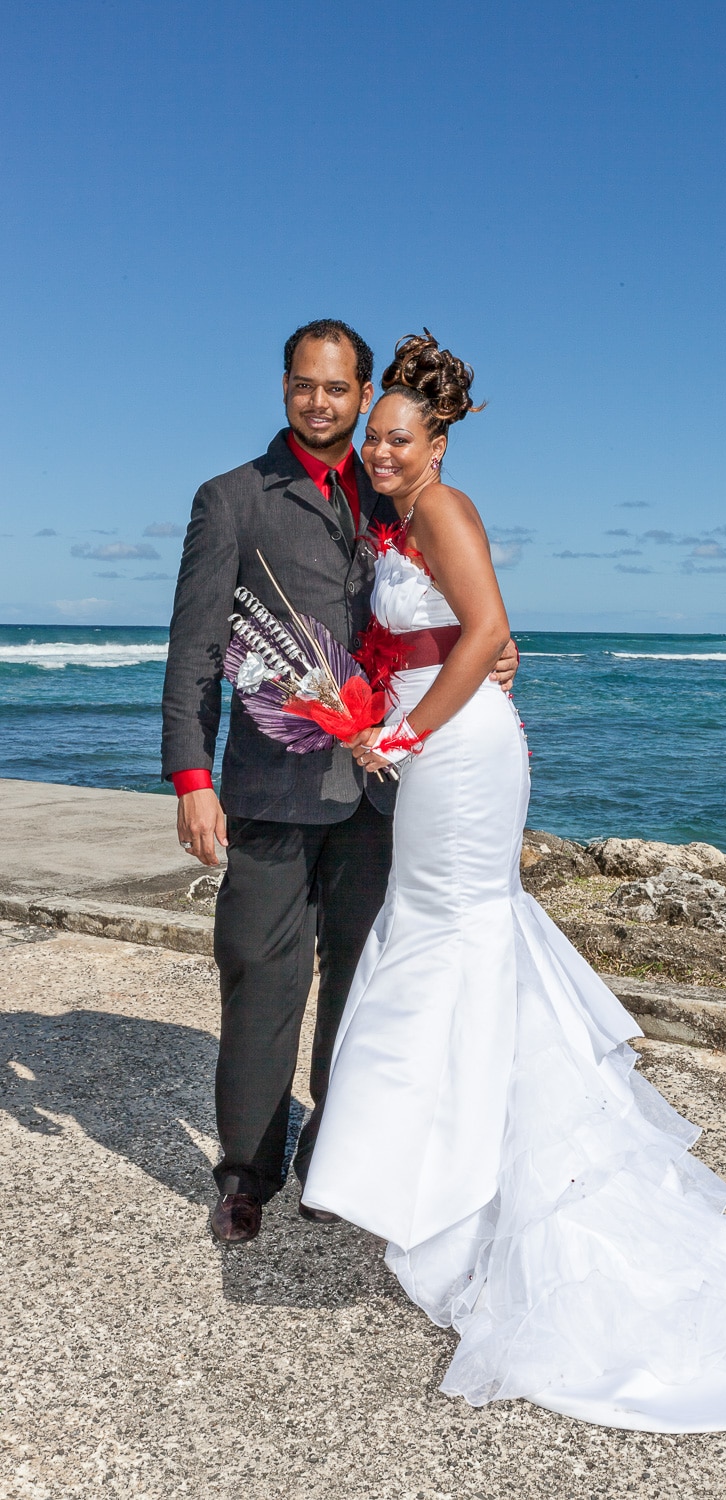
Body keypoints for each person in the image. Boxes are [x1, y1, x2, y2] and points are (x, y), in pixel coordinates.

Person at [301, 331, 726, 1432]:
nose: (379, 452)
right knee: (453, 948)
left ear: (438, 442)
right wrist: (392, 710)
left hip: (458, 758)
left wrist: (405, 738)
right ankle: (460, 1192)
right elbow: (448, 638)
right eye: (373, 436)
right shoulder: (400, 518)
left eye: (397, 439)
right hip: (443, 747)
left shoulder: (446, 511)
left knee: (459, 945)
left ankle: (492, 1204)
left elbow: (490, 635)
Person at [161, 318, 519, 1244]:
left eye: (338, 390)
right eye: (302, 386)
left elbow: (451, 607)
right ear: (284, 388)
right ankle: (247, 1170)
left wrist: (488, 650)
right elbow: (196, 648)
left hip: (386, 793)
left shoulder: (396, 487)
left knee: (365, 980)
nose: (320, 403)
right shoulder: (231, 499)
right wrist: (192, 776)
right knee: (257, 971)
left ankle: (337, 1158)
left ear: (365, 395)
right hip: (272, 786)